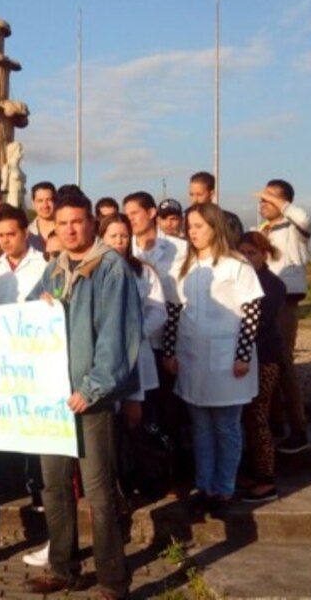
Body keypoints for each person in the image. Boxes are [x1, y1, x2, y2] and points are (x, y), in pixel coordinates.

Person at [25, 189, 140, 598]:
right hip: (52, 401)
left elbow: (117, 337)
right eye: (62, 223)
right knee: (54, 486)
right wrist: (36, 306)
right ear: (52, 226)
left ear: (92, 222)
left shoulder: (111, 269)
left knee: (99, 491)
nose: (70, 229)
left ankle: (112, 579)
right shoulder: (54, 270)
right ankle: (62, 566)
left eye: (77, 221)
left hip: (92, 399)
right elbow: (25, 319)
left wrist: (92, 387)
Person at [163, 203, 263, 519]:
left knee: (226, 428)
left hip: (227, 358)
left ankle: (224, 488)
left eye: (199, 226)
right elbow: (174, 310)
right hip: (192, 357)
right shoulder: (186, 265)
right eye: (189, 226)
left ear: (214, 227)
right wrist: (169, 351)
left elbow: (251, 311)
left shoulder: (236, 265)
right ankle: (204, 487)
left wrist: (243, 355)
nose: (192, 231)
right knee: (200, 428)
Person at [123, 191, 189, 480]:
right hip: (132, 349)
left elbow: (175, 297)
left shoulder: (177, 248)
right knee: (137, 414)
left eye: (134, 213)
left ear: (151, 213)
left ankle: (169, 469)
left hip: (165, 339)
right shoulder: (125, 250)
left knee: (166, 410)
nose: (130, 220)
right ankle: (140, 470)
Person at [99, 214, 168, 495]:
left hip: (136, 355)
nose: (118, 241)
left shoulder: (143, 271)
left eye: (123, 236)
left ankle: (143, 481)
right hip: (103, 358)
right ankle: (114, 484)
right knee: (107, 427)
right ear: (101, 238)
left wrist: (134, 332)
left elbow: (158, 309)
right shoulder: (92, 271)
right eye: (112, 235)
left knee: (135, 422)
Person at [256, 179, 311, 454]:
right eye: (262, 199)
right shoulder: (263, 230)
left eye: (270, 198)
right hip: (264, 300)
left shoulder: (296, 227)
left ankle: (299, 429)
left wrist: (281, 203)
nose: (263, 202)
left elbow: (304, 217)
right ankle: (275, 422)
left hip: (285, 301)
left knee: (284, 362)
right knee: (268, 362)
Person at [237, 231, 286, 503]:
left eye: (251, 253)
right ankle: (253, 472)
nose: (245, 258)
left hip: (264, 359)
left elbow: (258, 323)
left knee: (258, 417)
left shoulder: (272, 284)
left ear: (264, 255)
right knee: (246, 419)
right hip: (247, 359)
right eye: (241, 253)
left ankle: (267, 479)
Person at [0, 204, 48, 304]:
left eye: (11, 234)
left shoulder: (44, 264)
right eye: (1, 235)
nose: (5, 241)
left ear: (26, 233)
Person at [189, 171, 242, 247]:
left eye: (199, 195)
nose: (194, 199)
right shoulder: (185, 219)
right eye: (191, 194)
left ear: (211, 194)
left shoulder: (229, 220)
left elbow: (236, 246)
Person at [27, 181, 58, 252]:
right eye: (40, 201)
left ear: (56, 201)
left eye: (49, 200)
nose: (45, 205)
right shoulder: (26, 235)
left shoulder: (66, 232)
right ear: (33, 203)